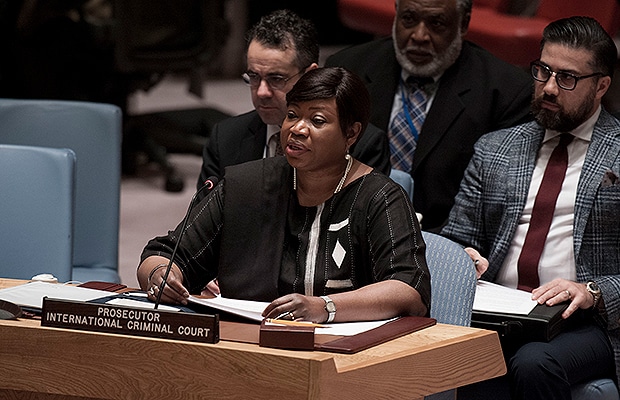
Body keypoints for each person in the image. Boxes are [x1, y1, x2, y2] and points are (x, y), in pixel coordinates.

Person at [138, 67, 431, 324]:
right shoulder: (246, 186)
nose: (297, 129)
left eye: (317, 120)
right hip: (249, 342)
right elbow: (164, 255)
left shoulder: (380, 197)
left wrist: (325, 307)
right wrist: (160, 276)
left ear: (351, 133)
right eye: (292, 115)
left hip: (346, 351)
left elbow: (408, 287)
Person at [441, 16, 620, 399]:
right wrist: (464, 256)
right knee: (459, 355)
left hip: (588, 320)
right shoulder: (495, 148)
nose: (549, 87)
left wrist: (593, 291)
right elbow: (456, 237)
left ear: (602, 85)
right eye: (543, 71)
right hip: (500, 311)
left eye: (567, 78)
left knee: (534, 361)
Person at [325, 0, 532, 231]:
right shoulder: (347, 69)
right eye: (409, 19)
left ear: (463, 24)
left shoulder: (506, 93)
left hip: (443, 236)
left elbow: (493, 202)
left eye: (436, 23)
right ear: (396, 14)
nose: (419, 36)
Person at [197, 9, 390, 199]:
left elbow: (361, 217)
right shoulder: (225, 138)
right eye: (254, 77)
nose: (262, 92)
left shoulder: (363, 144)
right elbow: (203, 215)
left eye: (276, 79)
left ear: (309, 75)